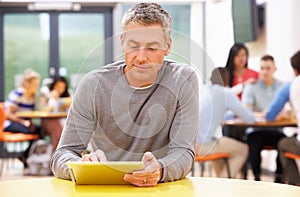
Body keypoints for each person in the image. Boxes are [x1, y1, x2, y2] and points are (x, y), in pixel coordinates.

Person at [51, 3, 199, 187]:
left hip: (160, 188)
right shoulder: (93, 85)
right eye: (133, 46)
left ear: (167, 46)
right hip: (106, 188)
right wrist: (80, 165)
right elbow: (62, 155)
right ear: (122, 43)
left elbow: (184, 152)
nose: (141, 57)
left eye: (152, 48)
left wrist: (160, 169)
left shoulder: (183, 79)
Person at [197, 67, 255, 178]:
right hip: (203, 146)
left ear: (211, 79)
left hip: (189, 146)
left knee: (219, 149)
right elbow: (249, 119)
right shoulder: (225, 93)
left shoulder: (203, 90)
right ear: (227, 81)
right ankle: (223, 183)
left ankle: (221, 183)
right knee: (242, 150)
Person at [242, 55, 285, 182]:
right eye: (262, 68)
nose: (264, 71)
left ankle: (279, 180)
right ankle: (256, 179)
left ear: (274, 69)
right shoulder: (252, 87)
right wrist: (263, 114)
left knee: (284, 143)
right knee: (253, 142)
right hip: (256, 131)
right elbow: (245, 110)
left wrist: (281, 114)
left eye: (268, 68)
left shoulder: (282, 87)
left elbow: (289, 111)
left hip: (276, 131)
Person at [278, 50, 300, 185]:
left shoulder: (294, 85)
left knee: (283, 144)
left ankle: (295, 185)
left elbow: (272, 113)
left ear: (295, 70)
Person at [39, 76, 71, 150]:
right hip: (48, 121)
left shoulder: (67, 95)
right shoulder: (45, 93)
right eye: (58, 87)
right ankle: (56, 154)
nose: (60, 90)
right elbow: (43, 110)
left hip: (62, 120)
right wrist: (53, 99)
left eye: (62, 87)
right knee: (58, 129)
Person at [4, 69, 40, 134]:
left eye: (38, 84)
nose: (37, 87)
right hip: (10, 123)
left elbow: (30, 116)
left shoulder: (33, 97)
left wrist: (30, 123)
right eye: (35, 84)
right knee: (30, 131)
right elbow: (8, 114)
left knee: (40, 130)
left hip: (25, 123)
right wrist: (23, 122)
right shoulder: (17, 94)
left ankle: (38, 144)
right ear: (27, 83)